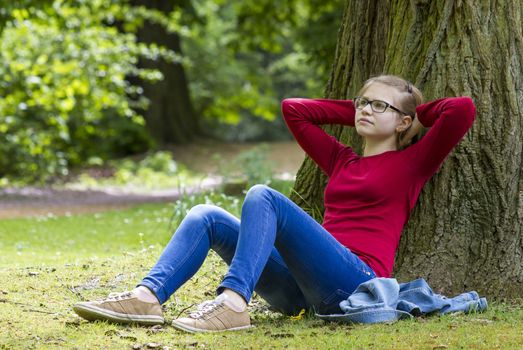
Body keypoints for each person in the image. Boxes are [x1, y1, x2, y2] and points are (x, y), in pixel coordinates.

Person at [73, 75, 476, 333]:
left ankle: (233, 303)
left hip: (355, 282)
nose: (366, 109)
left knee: (263, 196)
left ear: (404, 123)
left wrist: (414, 114)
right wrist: (365, 111)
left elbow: (462, 110)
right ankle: (147, 298)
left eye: (379, 106)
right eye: (362, 102)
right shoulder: (341, 160)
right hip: (300, 291)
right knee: (206, 216)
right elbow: (294, 111)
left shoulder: (412, 163)